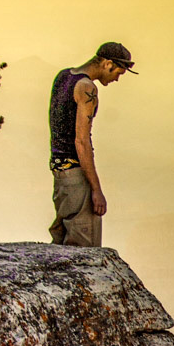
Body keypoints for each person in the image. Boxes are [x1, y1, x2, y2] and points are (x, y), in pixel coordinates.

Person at [48, 41, 136, 246]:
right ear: (107, 64)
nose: (116, 79)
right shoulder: (87, 88)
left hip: (60, 174)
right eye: (118, 73)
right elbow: (81, 141)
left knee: (62, 242)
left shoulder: (63, 77)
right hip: (77, 175)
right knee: (83, 248)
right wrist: (96, 190)